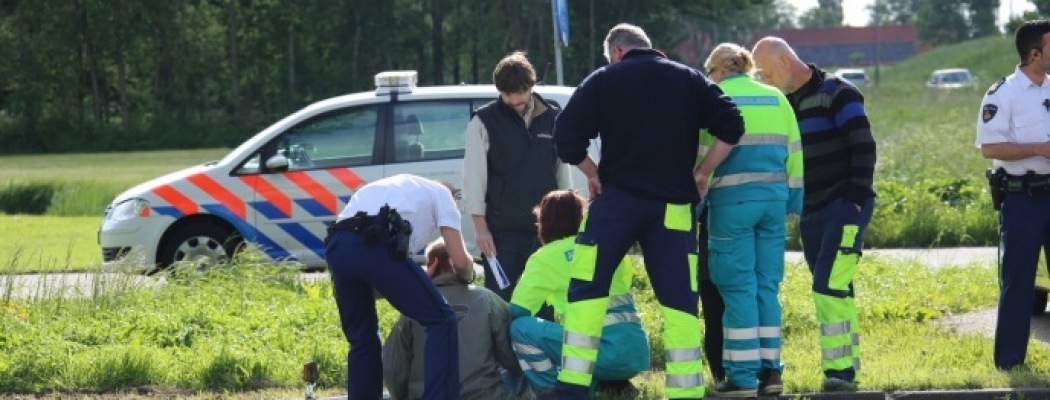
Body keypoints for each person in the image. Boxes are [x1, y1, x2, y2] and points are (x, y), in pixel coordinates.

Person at [552, 23, 745, 400]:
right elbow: (733, 125)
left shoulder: (604, 79)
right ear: (649, 48)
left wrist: (592, 174)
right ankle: (686, 391)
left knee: (588, 289)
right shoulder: (689, 80)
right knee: (680, 301)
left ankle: (572, 388)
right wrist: (702, 172)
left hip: (617, 204)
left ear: (618, 52)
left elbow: (566, 137)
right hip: (672, 208)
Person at [752, 37, 877, 392]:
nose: (765, 78)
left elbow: (864, 145)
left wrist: (855, 198)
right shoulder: (784, 103)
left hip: (845, 205)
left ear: (786, 62)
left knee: (829, 286)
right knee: (836, 289)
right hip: (812, 209)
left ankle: (840, 374)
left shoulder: (838, 92)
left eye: (767, 71)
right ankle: (848, 368)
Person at [699, 43, 804, 397]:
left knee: (737, 287)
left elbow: (703, 158)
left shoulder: (713, 97)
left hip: (732, 204)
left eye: (709, 72)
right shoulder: (776, 97)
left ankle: (743, 378)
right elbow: (794, 151)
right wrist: (794, 198)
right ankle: (771, 373)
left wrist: (694, 205)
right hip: (773, 204)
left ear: (718, 70)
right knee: (765, 287)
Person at [325, 174, 475, 400]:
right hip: (374, 240)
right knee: (442, 319)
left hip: (338, 245)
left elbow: (380, 285)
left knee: (363, 340)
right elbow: (461, 262)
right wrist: (470, 274)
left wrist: (418, 283)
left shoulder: (400, 191)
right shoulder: (442, 194)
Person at [507, 190, 650, 398]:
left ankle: (553, 390)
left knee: (521, 328)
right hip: (635, 354)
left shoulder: (545, 258)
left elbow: (518, 310)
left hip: (596, 355)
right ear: (580, 219)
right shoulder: (606, 246)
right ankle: (611, 384)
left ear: (543, 223)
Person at [462, 51, 571, 313]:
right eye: (506, 94)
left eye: (518, 94)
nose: (512, 100)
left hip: (547, 232)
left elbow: (562, 172)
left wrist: (567, 223)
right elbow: (474, 178)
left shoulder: (553, 118)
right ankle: (501, 355)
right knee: (500, 305)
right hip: (502, 232)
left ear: (531, 87)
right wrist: (481, 229)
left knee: (546, 306)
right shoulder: (482, 121)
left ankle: (542, 354)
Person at [976, 19, 1050, 371]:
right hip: (1023, 199)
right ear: (1034, 53)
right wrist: (1040, 149)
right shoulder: (1001, 94)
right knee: (1018, 283)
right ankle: (1009, 364)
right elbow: (989, 148)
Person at [383, 238, 521, 400]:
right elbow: (512, 356)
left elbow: (393, 367)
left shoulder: (413, 309)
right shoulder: (487, 299)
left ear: (431, 266)